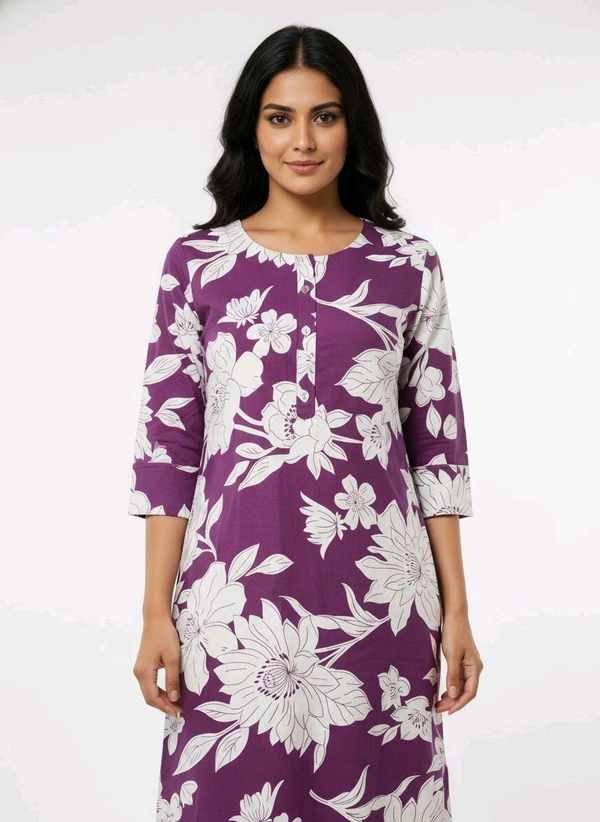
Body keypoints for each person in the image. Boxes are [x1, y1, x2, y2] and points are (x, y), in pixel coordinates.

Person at [127, 23, 483, 822]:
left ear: (353, 125)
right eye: (279, 117)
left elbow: (437, 449)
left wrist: (457, 611)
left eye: (325, 116)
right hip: (232, 603)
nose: (303, 140)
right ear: (250, 130)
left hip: (383, 598)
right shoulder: (197, 264)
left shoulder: (408, 264)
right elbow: (167, 452)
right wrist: (155, 612)